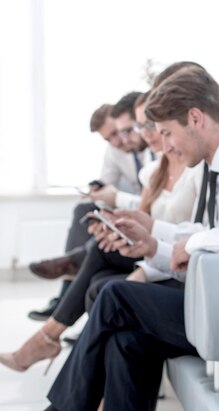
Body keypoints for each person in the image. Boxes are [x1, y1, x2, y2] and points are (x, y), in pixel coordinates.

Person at [40, 63, 219, 411]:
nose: (165, 147)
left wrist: (191, 244)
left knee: (115, 296)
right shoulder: (214, 163)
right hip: (215, 299)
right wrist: (154, 237)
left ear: (196, 118)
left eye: (168, 133)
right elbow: (213, 234)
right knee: (127, 340)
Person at [0, 91, 197, 374]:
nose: (130, 138)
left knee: (100, 257)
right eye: (138, 128)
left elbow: (165, 222)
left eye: (140, 128)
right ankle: (65, 300)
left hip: (165, 252)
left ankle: (52, 326)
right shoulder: (154, 163)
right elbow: (143, 209)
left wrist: (139, 243)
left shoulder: (181, 162)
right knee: (90, 226)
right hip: (153, 242)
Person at [27, 95, 153, 320]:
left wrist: (114, 201)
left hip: (142, 217)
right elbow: (108, 187)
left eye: (119, 133)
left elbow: (147, 203)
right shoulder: (118, 150)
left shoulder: (154, 147)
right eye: (110, 137)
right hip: (129, 208)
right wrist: (100, 204)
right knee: (84, 211)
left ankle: (71, 274)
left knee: (97, 247)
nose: (118, 141)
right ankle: (65, 293)